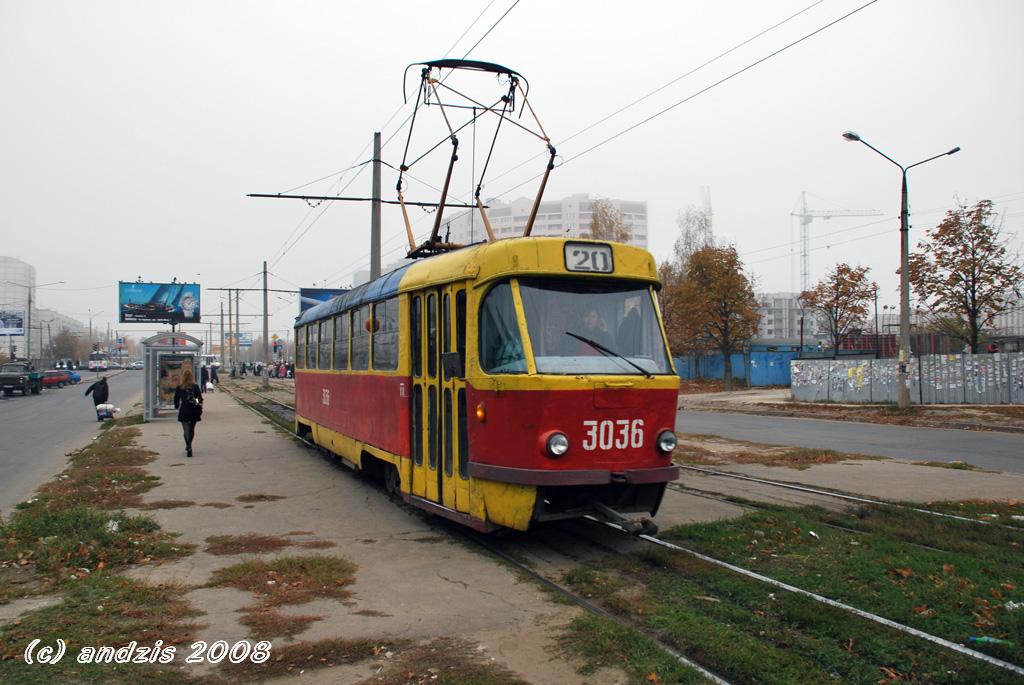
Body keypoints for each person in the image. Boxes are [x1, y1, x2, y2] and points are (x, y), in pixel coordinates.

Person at [173, 368, 203, 458]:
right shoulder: (195, 386)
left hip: (184, 409)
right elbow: (199, 399)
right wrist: (196, 403)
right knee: (192, 429)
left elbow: (176, 398)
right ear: (191, 377)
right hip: (193, 410)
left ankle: (188, 446)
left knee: (186, 429)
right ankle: (189, 445)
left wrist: (176, 405)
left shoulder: (180, 387)